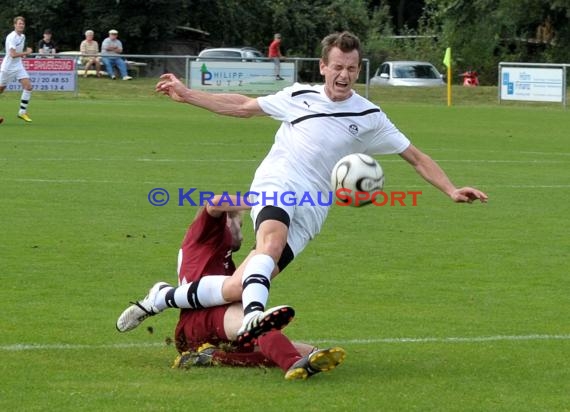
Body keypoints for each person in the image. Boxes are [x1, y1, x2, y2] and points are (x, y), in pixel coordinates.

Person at [152, 31, 489, 348]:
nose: (344, 75)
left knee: (240, 285)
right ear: (323, 67)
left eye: (352, 68)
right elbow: (243, 106)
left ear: (358, 70)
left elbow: (415, 157)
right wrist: (188, 95)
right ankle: (253, 317)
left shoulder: (369, 116)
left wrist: (451, 189)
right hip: (278, 182)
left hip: (314, 207)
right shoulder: (299, 95)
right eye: (338, 67)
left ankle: (163, 297)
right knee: (270, 243)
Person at [117, 195, 346, 380]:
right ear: (227, 219)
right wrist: (264, 202)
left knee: (305, 350)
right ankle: (292, 365)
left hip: (211, 324)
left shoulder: (222, 258)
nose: (241, 233)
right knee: (259, 326)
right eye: (240, 224)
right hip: (200, 319)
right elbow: (214, 202)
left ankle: (211, 356)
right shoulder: (206, 233)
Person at [0, 16, 34, 123]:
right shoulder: (11, 37)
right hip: (8, 67)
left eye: (23, 24)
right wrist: (26, 53)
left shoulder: (22, 36)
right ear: (14, 25)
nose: (21, 25)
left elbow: (17, 53)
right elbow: (13, 54)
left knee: (28, 86)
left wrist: (23, 54)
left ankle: (22, 112)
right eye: (19, 23)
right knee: (0, 90)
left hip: (18, 66)